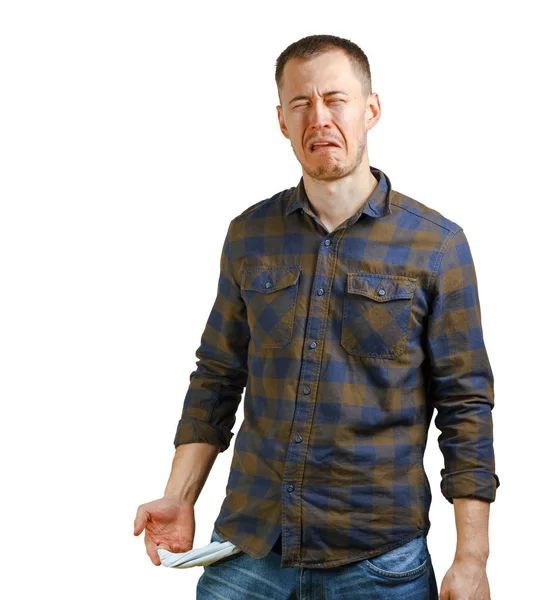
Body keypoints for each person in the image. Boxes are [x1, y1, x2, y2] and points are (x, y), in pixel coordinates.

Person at [133, 34, 499, 599]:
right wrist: (179, 495)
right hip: (248, 554)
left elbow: (465, 405)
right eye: (301, 104)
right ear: (282, 120)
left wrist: (471, 558)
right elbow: (216, 377)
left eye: (336, 99)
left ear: (371, 109)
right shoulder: (250, 236)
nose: (320, 117)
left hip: (378, 563)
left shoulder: (437, 246)